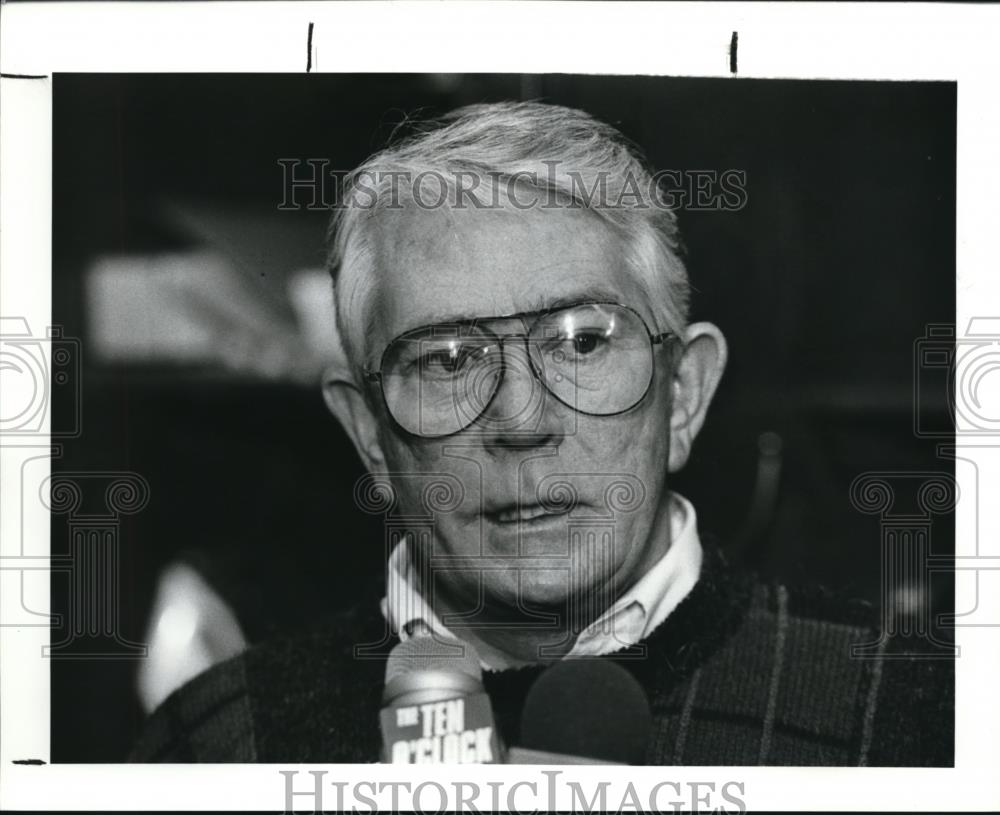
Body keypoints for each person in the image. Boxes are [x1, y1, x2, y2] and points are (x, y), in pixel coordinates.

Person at [131, 101, 952, 765]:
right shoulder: (217, 743)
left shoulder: (907, 721)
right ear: (370, 437)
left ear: (686, 391)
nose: (522, 421)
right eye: (449, 359)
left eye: (584, 342)